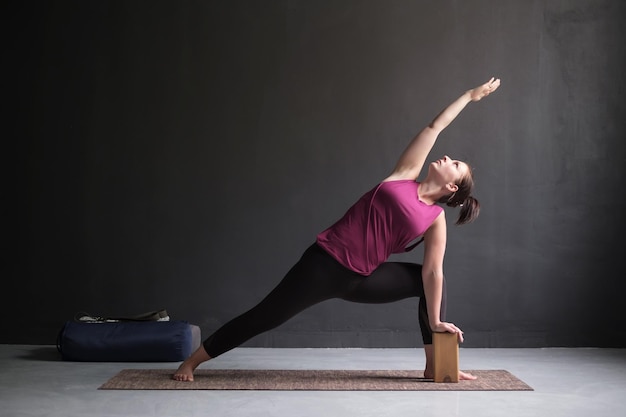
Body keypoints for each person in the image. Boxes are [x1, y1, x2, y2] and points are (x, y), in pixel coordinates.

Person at [173, 76, 501, 382]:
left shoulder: (434, 219)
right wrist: (470, 97)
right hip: (323, 265)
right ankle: (191, 362)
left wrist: (434, 323)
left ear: (453, 189)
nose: (447, 157)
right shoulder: (405, 173)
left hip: (361, 280)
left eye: (454, 164)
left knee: (425, 284)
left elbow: (433, 273)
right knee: (265, 316)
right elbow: (434, 126)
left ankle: (436, 367)